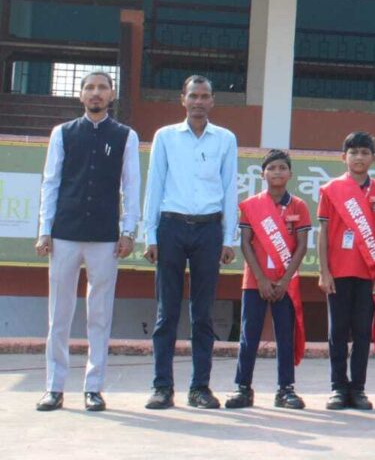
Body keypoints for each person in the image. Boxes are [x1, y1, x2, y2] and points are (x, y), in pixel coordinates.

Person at [35, 71, 140, 413]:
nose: (96, 93)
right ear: (80, 95)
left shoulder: (125, 136)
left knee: (100, 315)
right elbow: (50, 183)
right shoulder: (63, 133)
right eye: (90, 88)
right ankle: (54, 387)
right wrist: (44, 229)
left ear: (112, 95)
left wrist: (128, 231)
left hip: (105, 237)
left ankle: (93, 388)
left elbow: (131, 186)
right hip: (64, 234)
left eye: (102, 88)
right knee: (59, 314)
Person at [142, 75, 239, 410]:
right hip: (170, 226)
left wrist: (229, 238)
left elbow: (229, 189)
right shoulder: (165, 137)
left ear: (212, 101)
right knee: (166, 312)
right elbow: (154, 185)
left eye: (204, 96)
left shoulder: (225, 139)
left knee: (203, 314)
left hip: (208, 230)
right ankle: (162, 387)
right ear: (182, 98)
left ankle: (200, 388)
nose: (199, 102)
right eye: (193, 96)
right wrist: (149, 234)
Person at [225, 149, 309, 410]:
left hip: (286, 282)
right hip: (255, 282)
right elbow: (246, 244)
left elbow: (302, 246)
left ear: (290, 173)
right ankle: (242, 388)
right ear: (262, 174)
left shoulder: (299, 206)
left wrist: (284, 280)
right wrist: (261, 279)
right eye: (271, 168)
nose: (277, 172)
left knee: (285, 336)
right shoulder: (251, 205)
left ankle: (286, 389)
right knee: (249, 335)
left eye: (282, 167)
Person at [317, 131, 375, 410]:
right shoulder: (331, 189)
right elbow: (323, 232)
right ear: (343, 157)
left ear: (373, 158)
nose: (359, 157)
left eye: (364, 153)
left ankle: (358, 388)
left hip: (369, 273)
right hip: (338, 272)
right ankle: (338, 387)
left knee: (361, 332)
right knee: (337, 332)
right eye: (354, 152)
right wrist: (324, 271)